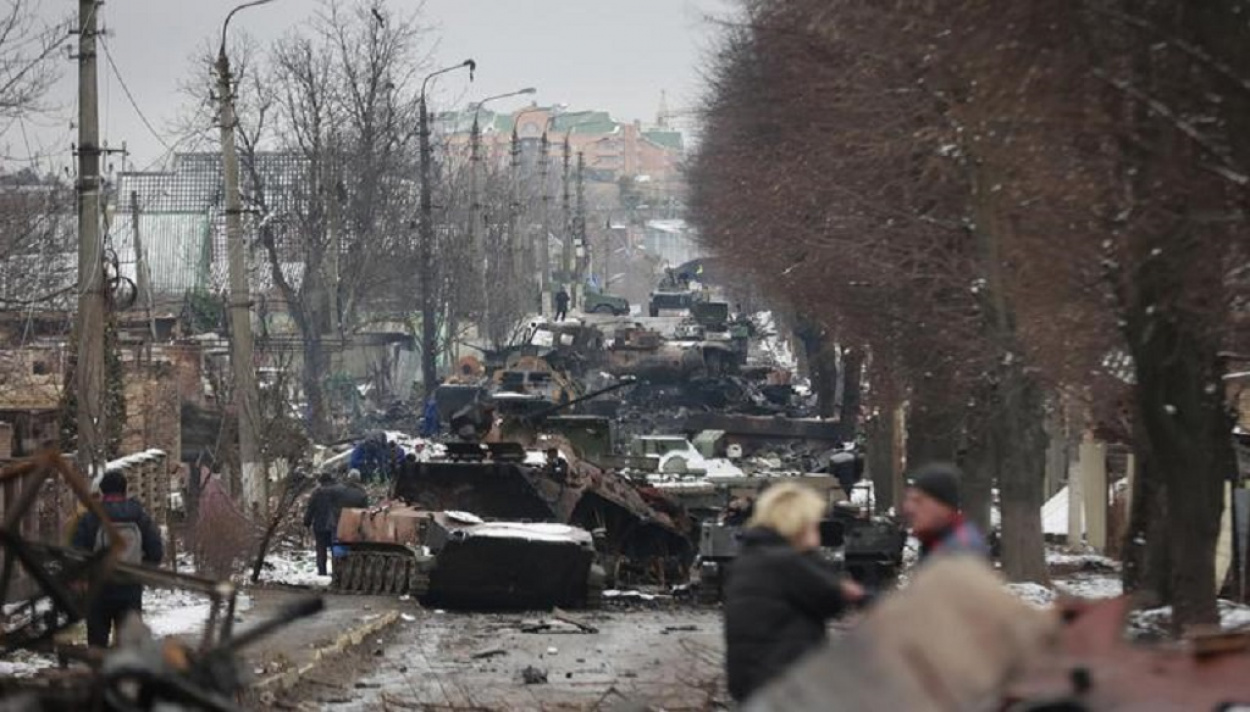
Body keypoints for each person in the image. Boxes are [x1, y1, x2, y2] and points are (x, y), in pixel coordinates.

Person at [723, 482, 865, 702]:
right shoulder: (786, 562)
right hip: (784, 681)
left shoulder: (752, 558)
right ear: (798, 523)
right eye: (813, 523)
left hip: (755, 681)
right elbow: (831, 599)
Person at [72, 471, 164, 648]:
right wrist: (141, 571)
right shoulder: (139, 516)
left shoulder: (91, 517)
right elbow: (155, 551)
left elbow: (77, 553)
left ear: (102, 491)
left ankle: (97, 673)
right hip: (130, 588)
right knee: (129, 646)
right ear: (125, 489)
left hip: (99, 588)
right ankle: (126, 674)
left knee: (97, 644)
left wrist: (81, 579)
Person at [902, 462, 990, 562]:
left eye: (918, 501)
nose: (909, 508)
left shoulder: (962, 549)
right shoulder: (935, 542)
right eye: (908, 500)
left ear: (942, 505)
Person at [303, 473, 339, 576]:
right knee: (334, 549)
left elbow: (310, 509)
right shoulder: (337, 492)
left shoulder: (317, 493)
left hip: (320, 525)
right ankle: (336, 570)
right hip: (333, 525)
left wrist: (307, 522)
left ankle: (322, 571)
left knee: (321, 549)